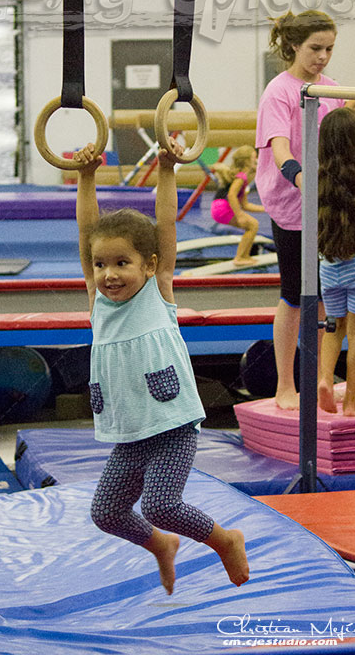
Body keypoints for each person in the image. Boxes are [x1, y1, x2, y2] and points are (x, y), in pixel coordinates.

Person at [74, 139, 249, 596]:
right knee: (107, 513)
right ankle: (161, 546)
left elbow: (166, 223)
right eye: (100, 265)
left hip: (170, 426)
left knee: (161, 503)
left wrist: (168, 168)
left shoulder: (158, 292)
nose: (109, 274)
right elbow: (86, 230)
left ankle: (224, 539)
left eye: (122, 263)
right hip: (130, 431)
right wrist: (87, 178)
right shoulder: (99, 303)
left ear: (150, 266)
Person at [255, 9, 346, 410]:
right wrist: (301, 179)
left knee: (330, 293)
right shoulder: (279, 90)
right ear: (294, 45)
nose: (323, 56)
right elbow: (279, 150)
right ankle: (285, 385)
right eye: (315, 48)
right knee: (294, 294)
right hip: (289, 201)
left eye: (329, 49)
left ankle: (323, 379)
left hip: (326, 201)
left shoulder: (332, 88)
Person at [317, 108, 355, 417]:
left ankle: (325, 380)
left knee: (333, 328)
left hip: (330, 266)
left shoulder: (319, 178)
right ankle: (350, 402)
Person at [210, 145, 265, 266]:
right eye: (254, 158)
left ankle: (244, 256)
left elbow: (245, 205)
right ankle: (240, 257)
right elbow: (231, 195)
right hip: (222, 207)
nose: (256, 160)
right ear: (247, 161)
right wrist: (239, 215)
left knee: (252, 225)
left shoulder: (241, 176)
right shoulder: (241, 176)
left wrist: (265, 209)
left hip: (217, 207)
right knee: (252, 225)